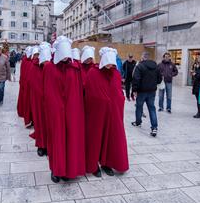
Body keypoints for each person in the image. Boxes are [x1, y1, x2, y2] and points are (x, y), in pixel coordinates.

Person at [43, 36, 85, 183]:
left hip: (72, 111)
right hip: (56, 112)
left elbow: (78, 92)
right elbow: (48, 92)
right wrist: (56, 108)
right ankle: (56, 169)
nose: (67, 59)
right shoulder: (49, 67)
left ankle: (69, 169)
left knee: (71, 140)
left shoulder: (74, 69)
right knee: (57, 141)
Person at [84, 47, 129, 177]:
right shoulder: (93, 73)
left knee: (112, 137)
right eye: (107, 63)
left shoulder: (116, 73)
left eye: (112, 63)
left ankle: (107, 163)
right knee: (96, 138)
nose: (110, 65)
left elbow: (118, 91)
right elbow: (90, 93)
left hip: (114, 113)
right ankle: (93, 165)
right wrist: (101, 101)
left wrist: (118, 100)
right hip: (97, 113)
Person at [28, 43, 51, 157]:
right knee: (40, 124)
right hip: (39, 101)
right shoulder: (34, 67)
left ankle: (49, 145)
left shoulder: (53, 67)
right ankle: (41, 145)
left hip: (51, 102)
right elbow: (33, 84)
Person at [131, 52, 162, 137]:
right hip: (152, 91)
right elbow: (159, 79)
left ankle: (138, 122)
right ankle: (154, 127)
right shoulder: (156, 66)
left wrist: (134, 90)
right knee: (152, 108)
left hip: (141, 91)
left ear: (143, 57)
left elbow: (136, 79)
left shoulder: (139, 66)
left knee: (139, 107)